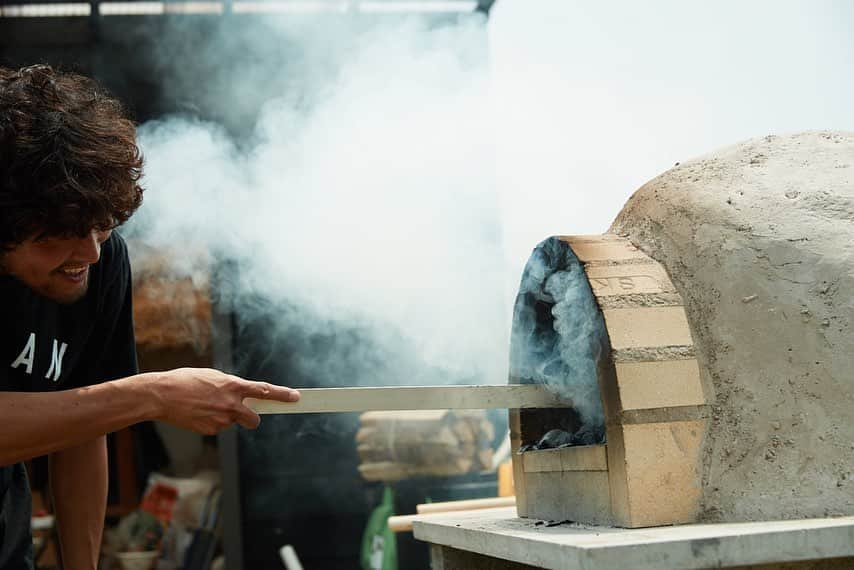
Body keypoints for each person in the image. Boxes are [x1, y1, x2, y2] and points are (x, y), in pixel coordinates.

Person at [0, 64, 300, 568]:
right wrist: (151, 394)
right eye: (59, 233)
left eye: (101, 226)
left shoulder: (99, 261)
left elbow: (84, 424)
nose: (90, 254)